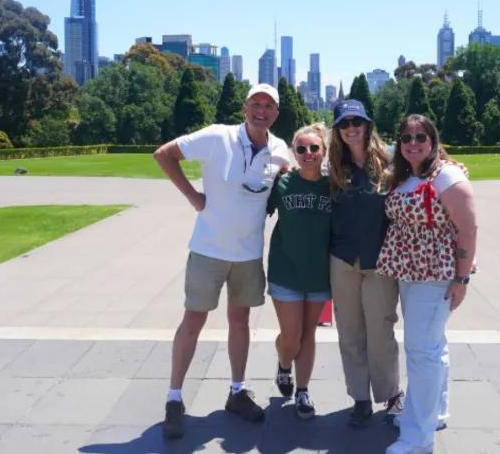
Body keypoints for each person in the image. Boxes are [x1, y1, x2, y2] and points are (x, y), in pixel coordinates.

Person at [153, 84, 290, 440]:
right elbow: (164, 154)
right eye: (255, 103)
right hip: (208, 249)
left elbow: (300, 176)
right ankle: (174, 398)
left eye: (269, 106)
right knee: (193, 320)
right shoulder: (217, 136)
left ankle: (236, 391)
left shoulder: (279, 149)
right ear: (245, 107)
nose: (261, 110)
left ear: (277, 113)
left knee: (240, 322)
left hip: (247, 254)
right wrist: (193, 196)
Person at [377, 114, 477, 454]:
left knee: (421, 353)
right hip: (410, 273)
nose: (413, 143)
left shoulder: (445, 175)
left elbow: (468, 228)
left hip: (435, 276)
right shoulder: (407, 176)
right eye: (406, 137)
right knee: (434, 347)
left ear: (433, 141)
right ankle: (435, 413)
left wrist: (462, 278)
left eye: (421, 137)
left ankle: (416, 438)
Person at [327, 99, 403, 427]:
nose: (351, 128)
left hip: (379, 260)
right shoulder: (333, 168)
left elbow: (428, 163)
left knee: (381, 330)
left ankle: (390, 393)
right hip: (343, 259)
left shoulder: (388, 164)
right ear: (338, 130)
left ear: (367, 125)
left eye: (357, 121)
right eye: (345, 123)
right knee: (349, 331)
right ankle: (359, 396)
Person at [267, 123, 331, 420]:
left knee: (308, 335)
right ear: (294, 152)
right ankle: (283, 364)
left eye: (314, 148)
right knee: (291, 336)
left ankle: (303, 390)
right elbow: (249, 204)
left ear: (324, 152)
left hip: (319, 273)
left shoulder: (334, 186)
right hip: (286, 270)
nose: (308, 153)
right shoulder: (281, 184)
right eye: (301, 148)